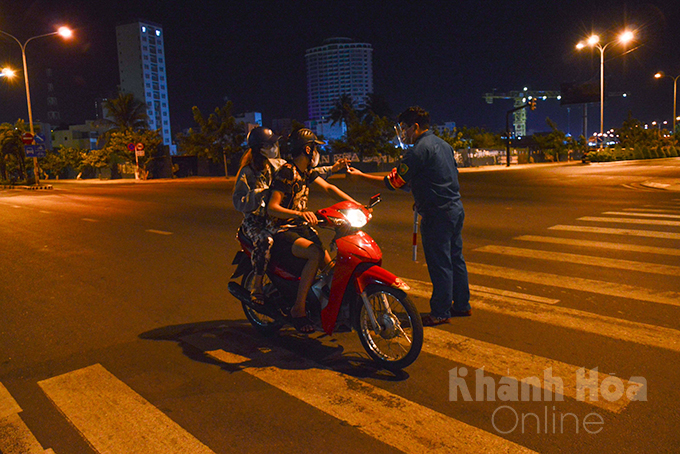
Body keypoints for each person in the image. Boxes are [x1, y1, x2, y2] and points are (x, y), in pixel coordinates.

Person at [347, 106, 471, 326]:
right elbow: (437, 177)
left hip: (437, 214)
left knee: (440, 262)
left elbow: (394, 182)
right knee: (455, 258)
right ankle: (462, 304)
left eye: (404, 128)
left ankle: (441, 311)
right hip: (455, 209)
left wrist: (361, 177)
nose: (403, 133)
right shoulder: (444, 146)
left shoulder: (417, 151)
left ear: (415, 126)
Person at [233, 126, 346, 306]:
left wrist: (333, 169)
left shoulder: (279, 164)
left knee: (317, 243)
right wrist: (261, 194)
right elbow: (238, 200)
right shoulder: (247, 172)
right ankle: (258, 286)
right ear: (261, 147)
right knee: (265, 240)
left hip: (276, 217)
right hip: (256, 221)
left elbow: (305, 170)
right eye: (272, 144)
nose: (276, 147)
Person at [267, 128, 360, 333]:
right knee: (315, 254)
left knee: (331, 268)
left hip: (301, 228)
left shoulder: (306, 172)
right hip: (282, 230)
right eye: (316, 148)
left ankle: (329, 310)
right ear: (308, 149)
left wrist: (358, 205)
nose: (317, 152)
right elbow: (272, 207)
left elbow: (329, 188)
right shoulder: (287, 172)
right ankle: (298, 309)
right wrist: (300, 214)